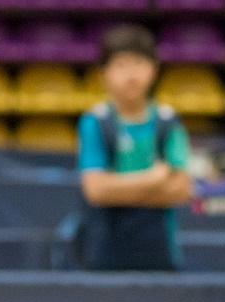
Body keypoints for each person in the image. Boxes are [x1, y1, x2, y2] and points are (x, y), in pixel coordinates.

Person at [76, 24, 192, 272]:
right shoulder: (94, 122)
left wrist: (115, 189)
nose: (131, 75)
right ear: (104, 73)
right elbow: (95, 190)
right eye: (121, 65)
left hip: (159, 252)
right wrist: (153, 179)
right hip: (105, 253)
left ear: (154, 69)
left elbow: (181, 189)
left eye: (139, 63)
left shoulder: (169, 122)